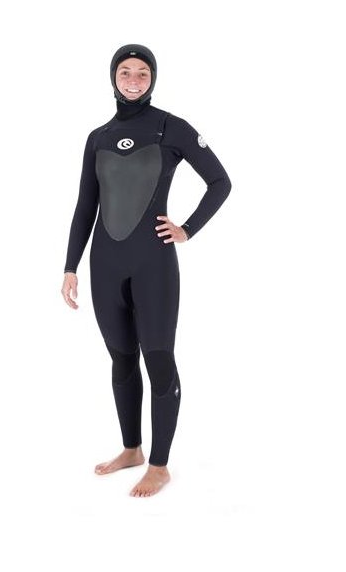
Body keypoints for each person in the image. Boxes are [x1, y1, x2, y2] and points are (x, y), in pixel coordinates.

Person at [61, 44, 231, 497]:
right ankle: (132, 449)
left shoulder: (170, 127)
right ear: (113, 78)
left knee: (158, 360)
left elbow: (220, 182)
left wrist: (187, 229)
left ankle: (159, 465)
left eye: (142, 73)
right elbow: (85, 206)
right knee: (121, 359)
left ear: (152, 78)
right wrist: (70, 266)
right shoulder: (98, 137)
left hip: (154, 263)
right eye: (125, 72)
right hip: (105, 264)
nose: (134, 80)